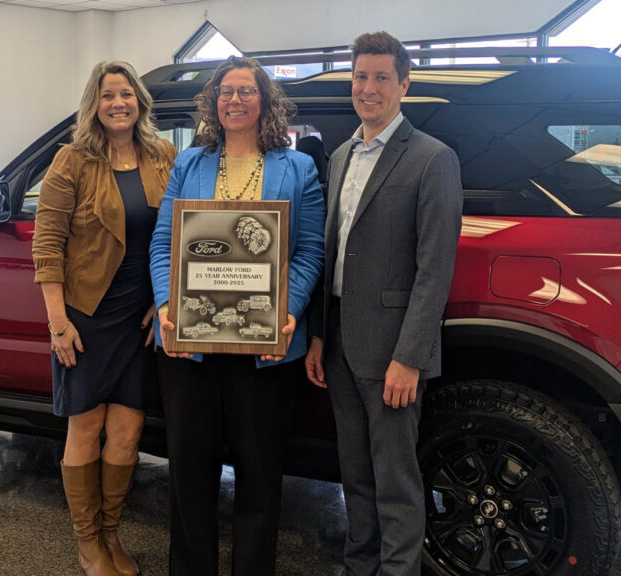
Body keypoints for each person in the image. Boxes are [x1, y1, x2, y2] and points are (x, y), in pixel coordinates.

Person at [149, 56, 325, 576]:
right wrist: (165, 306)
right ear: (213, 102)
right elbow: (165, 242)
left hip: (266, 348)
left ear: (265, 101)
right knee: (189, 474)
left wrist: (288, 311)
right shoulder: (190, 164)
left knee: (260, 475)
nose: (236, 100)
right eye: (226, 91)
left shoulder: (298, 168)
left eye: (247, 91)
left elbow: (310, 249)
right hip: (190, 345)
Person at [304, 32, 463, 576]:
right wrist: (320, 336)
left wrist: (411, 357)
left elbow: (434, 269)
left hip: (393, 349)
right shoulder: (343, 155)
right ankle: (360, 565)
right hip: (342, 343)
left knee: (395, 477)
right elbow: (332, 257)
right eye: (360, 77)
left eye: (380, 78)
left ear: (403, 84)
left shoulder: (432, 159)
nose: (367, 89)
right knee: (355, 472)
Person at [33, 60, 177, 576]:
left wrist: (161, 302)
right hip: (86, 317)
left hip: (140, 318)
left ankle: (111, 534)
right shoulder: (71, 161)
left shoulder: (163, 156)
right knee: (87, 425)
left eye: (126, 94)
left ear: (139, 101)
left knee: (127, 432)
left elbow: (179, 236)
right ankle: (87, 542)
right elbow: (46, 246)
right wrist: (58, 323)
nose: (119, 103)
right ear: (94, 104)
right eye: (108, 95)